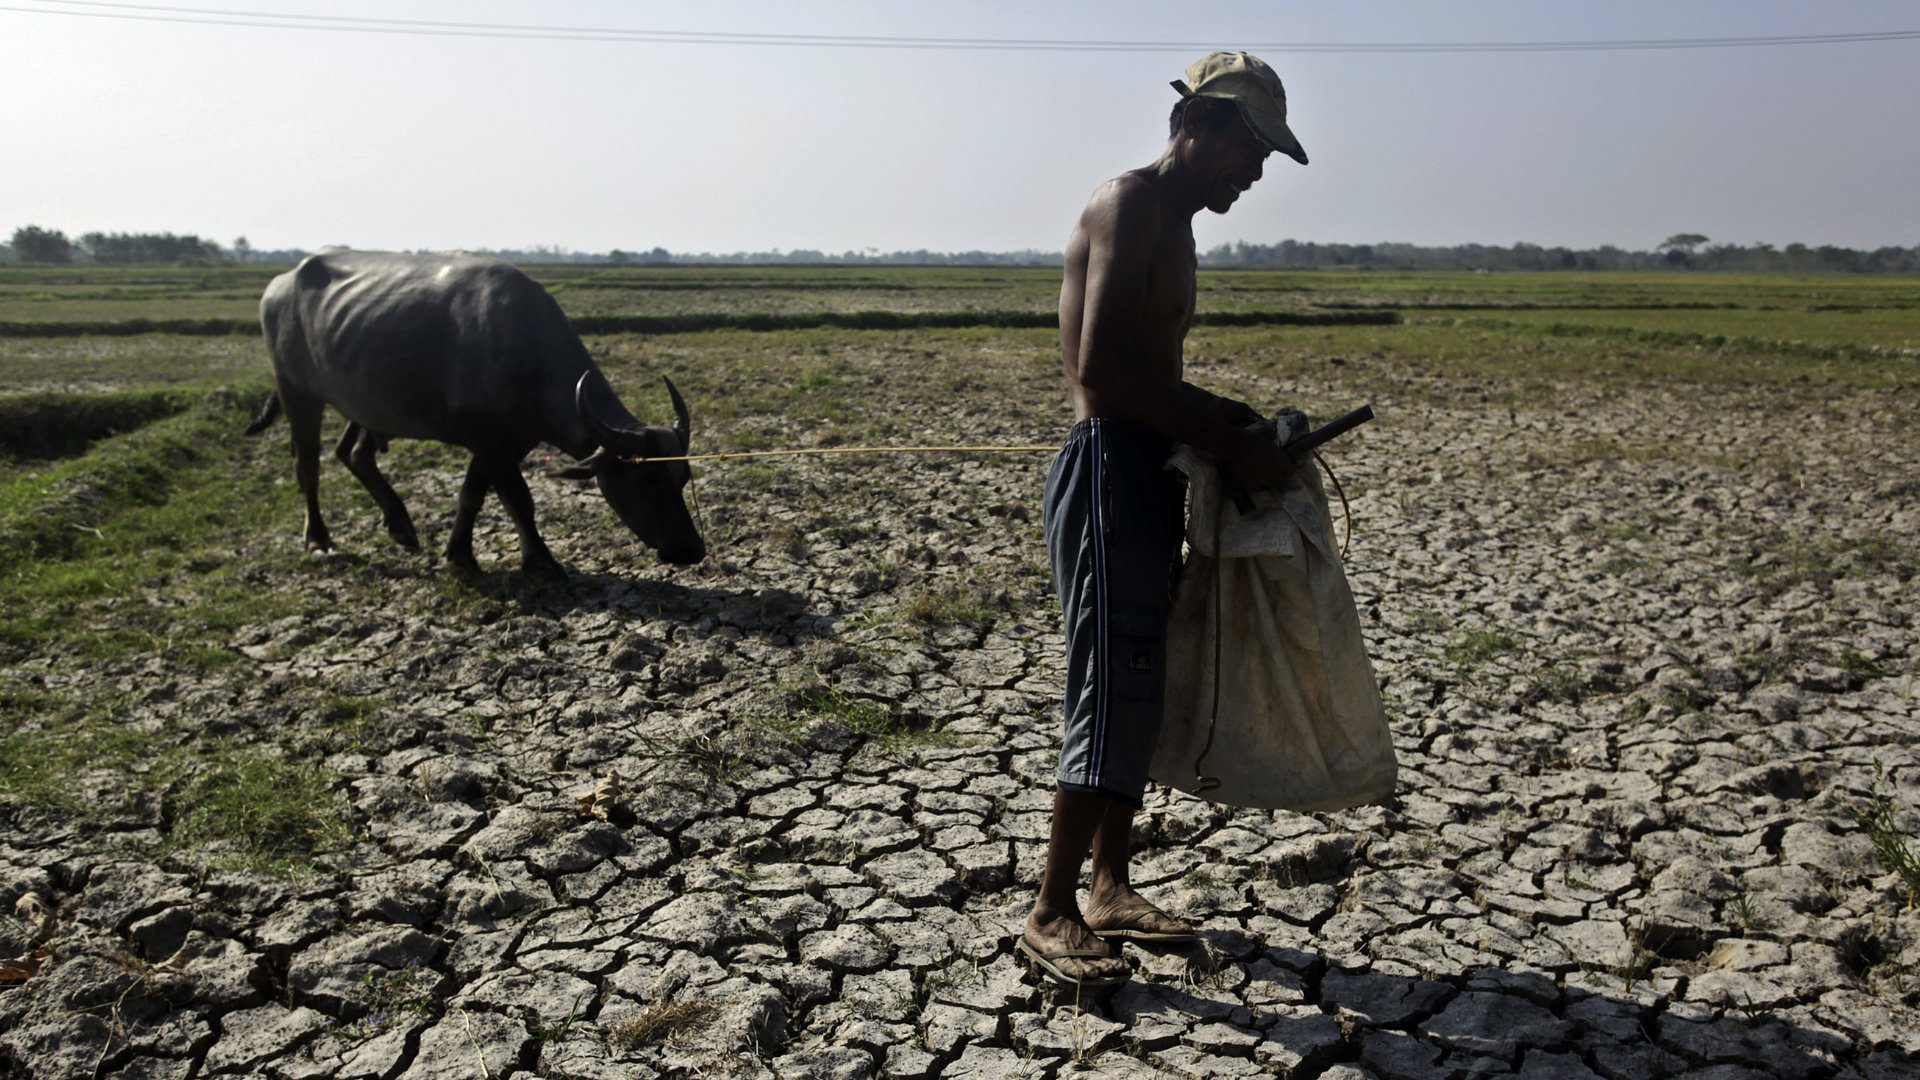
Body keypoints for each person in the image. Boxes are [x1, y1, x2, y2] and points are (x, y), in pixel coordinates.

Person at [1021, 51, 1310, 988]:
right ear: (1205, 123)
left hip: (1148, 471)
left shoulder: (1178, 230)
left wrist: (1230, 420)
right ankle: (1052, 909)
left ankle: (1111, 886)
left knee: (1141, 679)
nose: (1256, 171)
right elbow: (1101, 374)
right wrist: (1225, 445)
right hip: (1108, 472)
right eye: (1252, 148)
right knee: (1110, 685)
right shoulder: (1129, 204)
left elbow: (1157, 378)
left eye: (1266, 156)